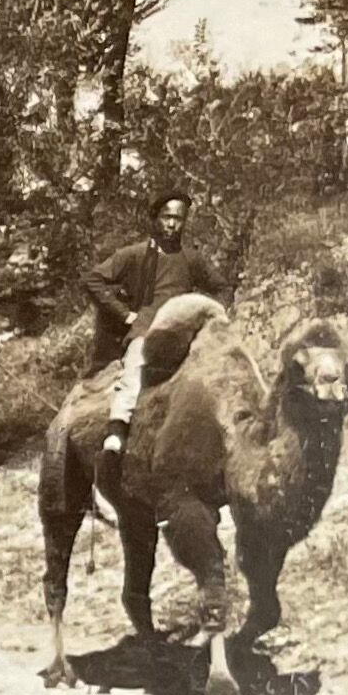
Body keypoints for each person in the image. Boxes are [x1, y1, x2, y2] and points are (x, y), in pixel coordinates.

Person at [85, 190, 230, 494]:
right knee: (135, 366)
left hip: (185, 329)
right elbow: (93, 280)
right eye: (167, 217)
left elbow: (221, 287)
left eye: (179, 219)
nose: (172, 225)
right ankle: (116, 433)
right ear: (154, 219)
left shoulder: (192, 258)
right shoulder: (135, 255)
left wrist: (210, 312)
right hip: (148, 329)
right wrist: (125, 315)